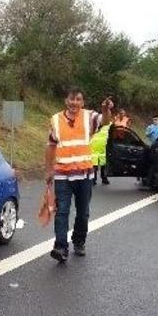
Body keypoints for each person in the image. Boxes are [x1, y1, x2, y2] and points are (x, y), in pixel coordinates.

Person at [45, 87, 112, 262]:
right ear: (66, 101)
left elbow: (105, 121)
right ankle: (61, 247)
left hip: (84, 175)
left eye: (78, 99)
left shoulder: (89, 117)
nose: (75, 102)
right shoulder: (55, 120)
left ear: (82, 102)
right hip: (62, 175)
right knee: (62, 212)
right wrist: (48, 169)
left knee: (83, 213)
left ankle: (79, 241)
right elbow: (51, 145)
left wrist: (106, 109)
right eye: (71, 99)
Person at [90, 122, 109, 186]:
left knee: (103, 165)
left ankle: (104, 178)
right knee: (94, 166)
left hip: (102, 150)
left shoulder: (107, 125)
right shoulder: (92, 125)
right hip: (94, 150)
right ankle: (93, 179)